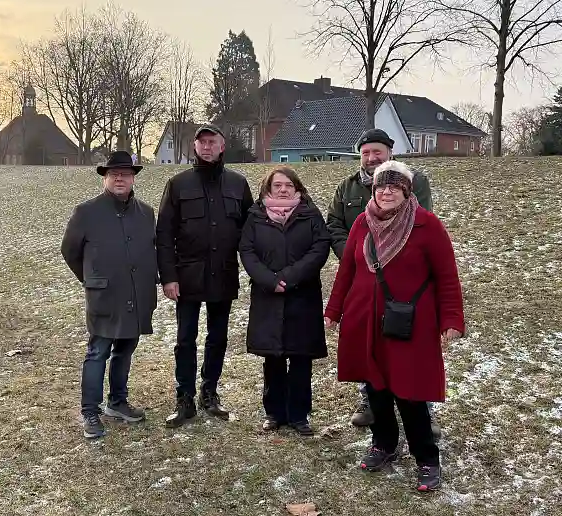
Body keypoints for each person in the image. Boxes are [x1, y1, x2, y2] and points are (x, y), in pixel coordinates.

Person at [324, 160, 464, 492]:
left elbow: (447, 278)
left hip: (409, 323)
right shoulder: (361, 222)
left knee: (410, 391)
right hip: (364, 319)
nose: (386, 191)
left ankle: (427, 457)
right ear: (373, 190)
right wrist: (333, 310)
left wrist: (452, 320)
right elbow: (347, 271)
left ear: (406, 191)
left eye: (394, 186)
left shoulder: (426, 226)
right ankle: (384, 444)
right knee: (376, 387)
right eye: (380, 186)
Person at [325, 128, 439, 435]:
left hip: (403, 282)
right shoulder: (347, 187)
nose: (372, 157)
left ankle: (423, 409)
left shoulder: (414, 181)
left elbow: (421, 223)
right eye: (366, 152)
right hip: (364, 278)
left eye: (378, 151)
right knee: (368, 341)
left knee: (408, 346)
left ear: (389, 152)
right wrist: (354, 254)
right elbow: (334, 225)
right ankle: (371, 402)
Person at [156, 123, 254, 428]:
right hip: (187, 277)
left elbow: (251, 232)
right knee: (185, 339)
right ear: (195, 148)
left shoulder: (238, 184)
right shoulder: (178, 184)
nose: (207, 147)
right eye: (202, 143)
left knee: (218, 338)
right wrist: (168, 276)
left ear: (222, 146)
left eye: (212, 141)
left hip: (223, 275)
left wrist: (257, 270)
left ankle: (209, 392)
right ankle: (184, 397)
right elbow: (164, 234)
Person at [61, 150, 159, 439]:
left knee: (125, 349)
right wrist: (91, 280)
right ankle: (90, 412)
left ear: (133, 178)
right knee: (98, 353)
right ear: (105, 178)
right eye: (114, 174)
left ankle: (117, 402)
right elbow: (70, 251)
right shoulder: (86, 212)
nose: (120, 178)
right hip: (104, 296)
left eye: (125, 174)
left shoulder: (146, 213)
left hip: (137, 294)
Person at [238, 167, 331, 436]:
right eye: (277, 185)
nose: (283, 189)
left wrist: (289, 278)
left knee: (301, 359)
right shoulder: (255, 216)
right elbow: (247, 250)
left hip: (302, 295)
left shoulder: (310, 214)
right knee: (273, 358)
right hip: (268, 297)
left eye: (288, 185)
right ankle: (274, 413)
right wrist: (269, 279)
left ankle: (299, 415)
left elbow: (319, 247)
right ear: (268, 189)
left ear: (297, 188)